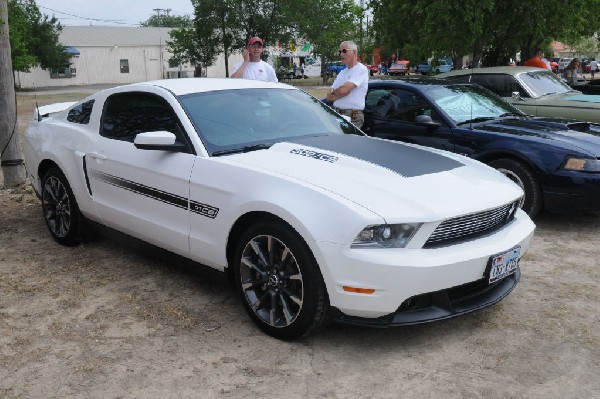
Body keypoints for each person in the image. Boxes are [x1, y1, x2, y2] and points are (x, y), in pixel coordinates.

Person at [325, 40, 369, 128]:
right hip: (336, 114)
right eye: (340, 51)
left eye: (344, 51)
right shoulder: (342, 72)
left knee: (348, 141)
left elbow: (343, 90)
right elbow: (329, 96)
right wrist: (340, 93)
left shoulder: (361, 69)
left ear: (354, 52)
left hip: (352, 116)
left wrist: (338, 93)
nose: (341, 54)